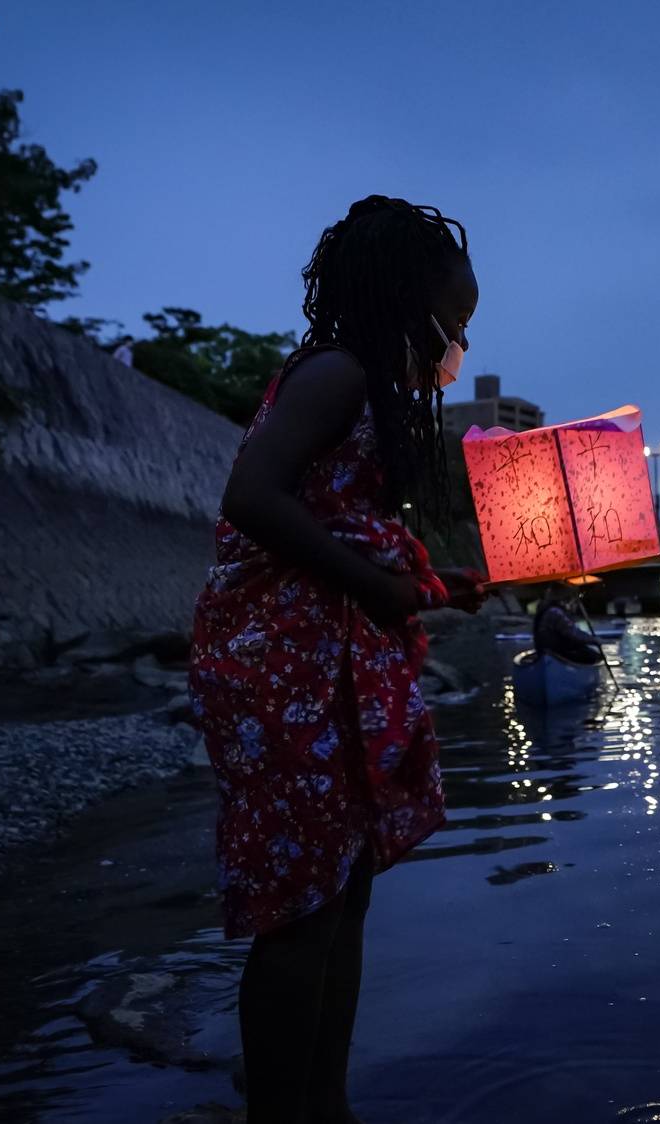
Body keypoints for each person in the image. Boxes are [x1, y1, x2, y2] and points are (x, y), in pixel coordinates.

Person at [188, 195, 486, 1124]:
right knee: (300, 907)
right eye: (453, 325)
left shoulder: (374, 391)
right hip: (281, 662)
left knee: (344, 891)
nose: (455, 348)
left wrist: (434, 586)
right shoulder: (337, 373)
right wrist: (374, 589)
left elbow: (342, 521)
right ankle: (282, 1113)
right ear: (401, 300)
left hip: (337, 660)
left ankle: (328, 1103)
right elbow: (251, 497)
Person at [535, 586, 604, 665]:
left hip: (550, 650)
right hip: (557, 652)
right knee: (594, 656)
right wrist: (594, 640)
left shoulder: (547, 608)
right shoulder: (555, 612)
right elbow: (573, 633)